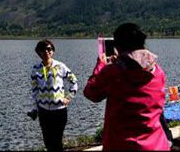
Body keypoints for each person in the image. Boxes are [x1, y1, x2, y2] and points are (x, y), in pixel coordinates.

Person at [83, 23, 169, 151]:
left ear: (117, 46)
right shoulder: (158, 72)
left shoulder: (112, 73)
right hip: (156, 144)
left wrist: (100, 66)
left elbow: (91, 93)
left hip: (120, 144)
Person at [28, 39, 78, 151]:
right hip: (44, 111)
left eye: (49, 49)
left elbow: (74, 81)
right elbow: (34, 91)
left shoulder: (60, 66)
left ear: (53, 51)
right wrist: (34, 109)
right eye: (43, 49)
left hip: (60, 110)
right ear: (38, 52)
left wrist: (68, 97)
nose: (46, 51)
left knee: (57, 141)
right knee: (48, 142)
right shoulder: (35, 69)